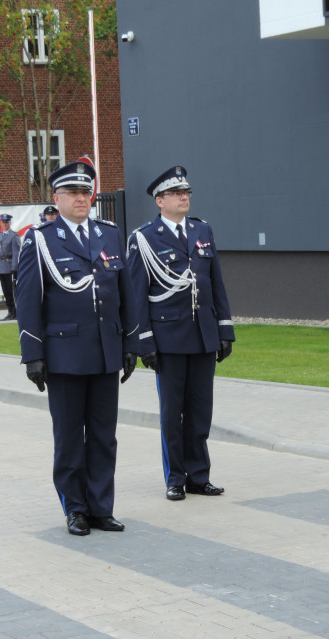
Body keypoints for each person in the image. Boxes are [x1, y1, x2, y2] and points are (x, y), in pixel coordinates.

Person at [15, 160, 138, 537]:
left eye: (86, 193)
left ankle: (102, 507)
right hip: (65, 354)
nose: (82, 199)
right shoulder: (41, 239)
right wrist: (33, 354)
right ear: (57, 198)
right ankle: (76, 509)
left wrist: (130, 342)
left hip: (104, 351)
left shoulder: (110, 234)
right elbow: (28, 300)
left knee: (103, 435)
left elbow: (125, 293)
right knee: (69, 437)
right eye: (73, 193)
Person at [127, 165, 235, 501]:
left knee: (201, 410)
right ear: (160, 201)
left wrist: (224, 329)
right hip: (168, 339)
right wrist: (143, 340)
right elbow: (136, 296)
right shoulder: (144, 239)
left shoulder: (203, 231)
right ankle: (175, 477)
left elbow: (215, 282)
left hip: (202, 335)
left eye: (186, 192)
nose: (184, 197)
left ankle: (198, 476)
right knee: (173, 413)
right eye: (176, 193)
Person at [0, 214, 21, 321]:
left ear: (10, 223)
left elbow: (16, 252)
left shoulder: (14, 235)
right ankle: (9, 311)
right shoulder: (0, 235)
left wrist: (14, 267)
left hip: (9, 265)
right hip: (1, 266)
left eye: (6, 222)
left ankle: (14, 311)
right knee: (5, 290)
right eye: (3, 222)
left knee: (11, 290)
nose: (4, 224)